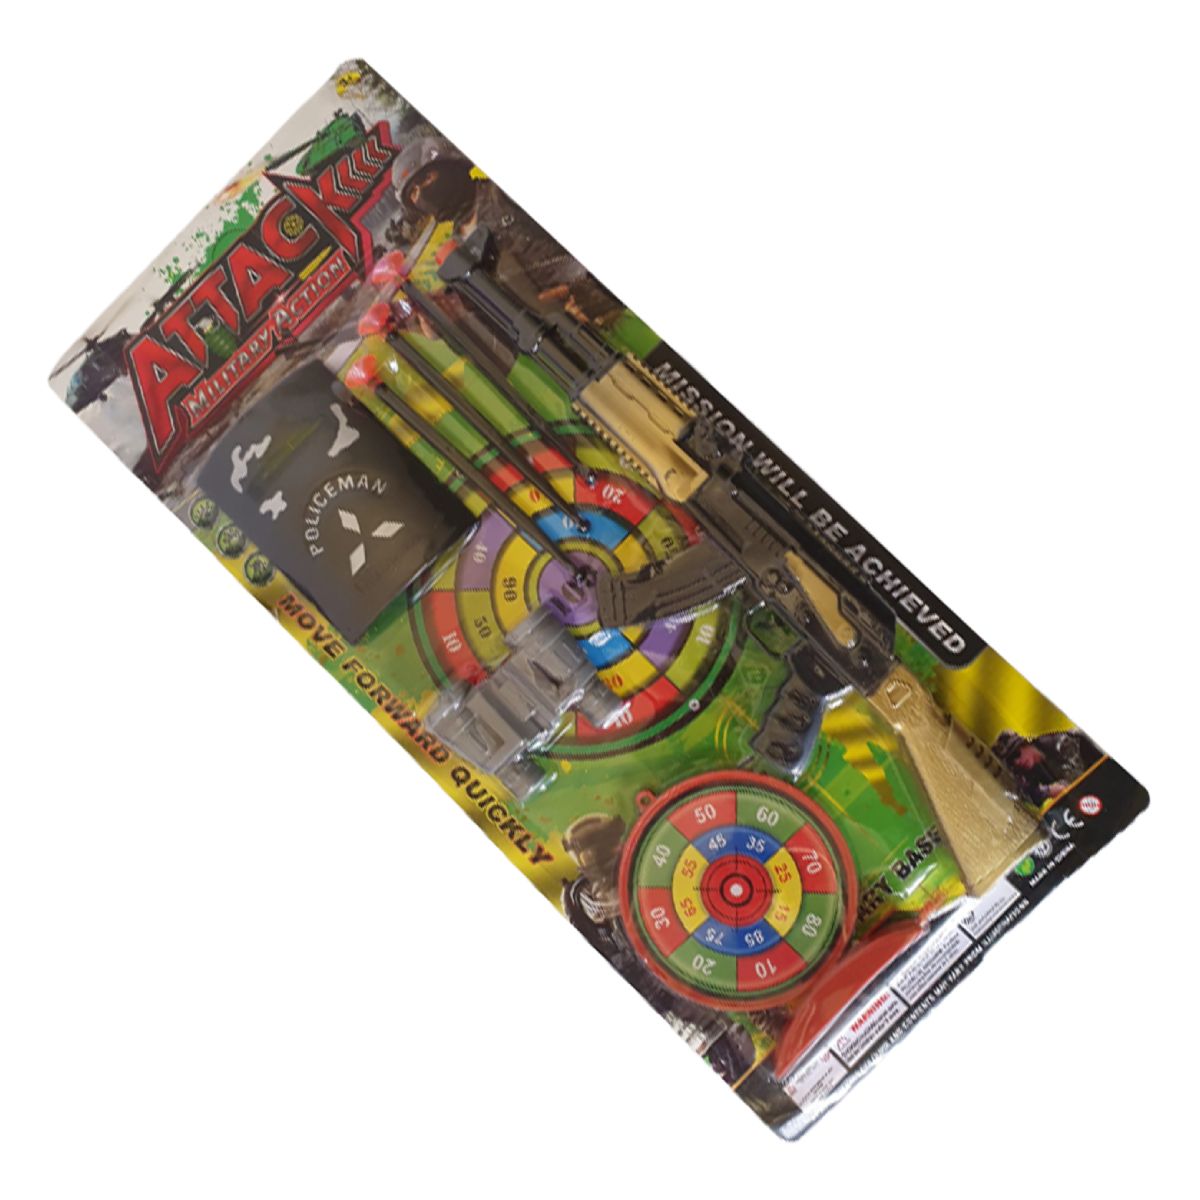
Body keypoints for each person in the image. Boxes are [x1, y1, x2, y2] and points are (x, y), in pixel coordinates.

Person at [391, 135, 622, 326]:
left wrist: (589, 290)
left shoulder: (500, 194)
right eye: (414, 193)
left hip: (610, 302)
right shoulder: (459, 249)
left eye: (427, 178)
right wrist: (444, 318)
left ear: (450, 165)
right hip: (570, 336)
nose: (423, 194)